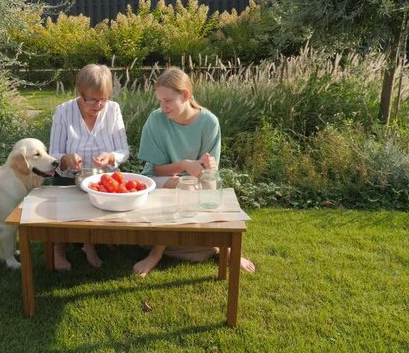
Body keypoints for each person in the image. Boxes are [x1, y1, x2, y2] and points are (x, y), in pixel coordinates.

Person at [132, 67, 256, 277]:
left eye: (168, 101)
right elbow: (158, 169)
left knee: (210, 191)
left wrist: (208, 165)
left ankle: (225, 247)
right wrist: (185, 165)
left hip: (196, 180)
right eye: (160, 101)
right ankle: (156, 254)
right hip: (158, 179)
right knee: (183, 187)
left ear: (186, 95)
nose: (163, 107)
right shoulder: (156, 120)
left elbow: (208, 174)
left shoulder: (209, 122)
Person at [49, 64, 130, 270]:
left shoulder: (113, 110)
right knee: (60, 206)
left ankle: (90, 243)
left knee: (101, 201)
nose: (99, 105)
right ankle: (59, 248)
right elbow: (53, 155)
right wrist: (66, 159)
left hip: (103, 178)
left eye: (103, 98)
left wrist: (111, 156)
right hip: (70, 178)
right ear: (80, 93)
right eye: (92, 99)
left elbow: (123, 150)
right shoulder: (64, 112)